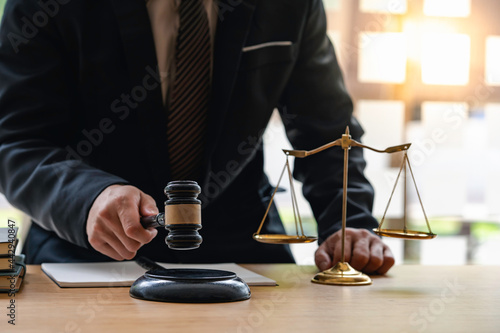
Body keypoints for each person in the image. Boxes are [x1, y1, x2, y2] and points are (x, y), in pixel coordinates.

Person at [0, 0, 394, 274]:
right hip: (85, 250)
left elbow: (326, 131)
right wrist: (87, 199)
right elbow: (16, 142)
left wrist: (349, 224)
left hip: (242, 244)